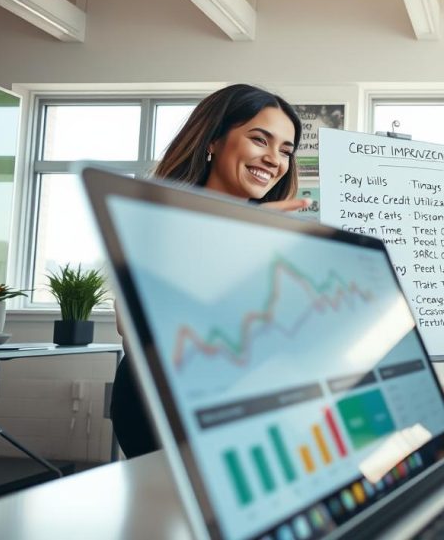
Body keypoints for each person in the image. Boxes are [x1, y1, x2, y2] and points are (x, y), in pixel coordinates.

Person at [111, 84, 308, 458]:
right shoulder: (156, 214)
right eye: (259, 140)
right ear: (213, 140)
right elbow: (131, 323)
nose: (273, 159)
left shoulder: (273, 230)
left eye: (285, 150)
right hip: (163, 408)